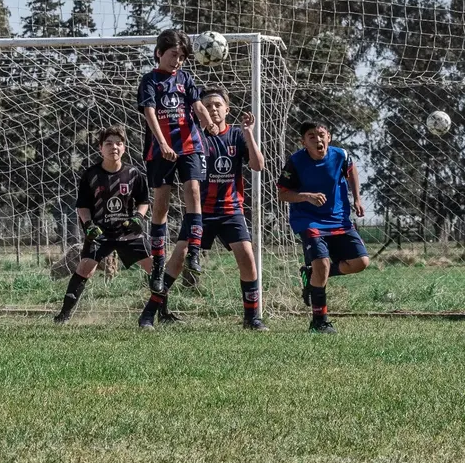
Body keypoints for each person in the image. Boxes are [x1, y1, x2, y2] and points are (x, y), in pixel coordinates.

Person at [138, 87, 268, 330]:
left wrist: (249, 133)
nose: (213, 109)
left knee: (247, 257)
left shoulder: (237, 135)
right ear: (199, 112)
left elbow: (258, 165)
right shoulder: (193, 138)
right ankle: (149, 313)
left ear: (227, 109)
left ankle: (251, 318)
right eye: (207, 106)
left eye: (217, 105)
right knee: (178, 258)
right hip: (200, 213)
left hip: (230, 210)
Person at [137, 29, 219, 296]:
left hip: (190, 146)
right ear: (159, 53)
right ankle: (158, 265)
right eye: (173, 55)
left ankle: (194, 250)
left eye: (182, 57)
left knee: (193, 191)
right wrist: (162, 143)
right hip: (161, 149)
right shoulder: (150, 80)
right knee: (161, 204)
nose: (178, 61)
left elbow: (197, 105)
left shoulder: (186, 78)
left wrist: (208, 122)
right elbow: (150, 112)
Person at [277, 120, 369, 334]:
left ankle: (313, 276)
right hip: (309, 220)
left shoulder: (341, 155)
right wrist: (306, 196)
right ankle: (319, 322)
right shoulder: (296, 162)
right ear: (303, 142)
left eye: (321, 135)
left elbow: (352, 171)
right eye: (311, 136)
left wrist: (357, 198)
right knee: (322, 264)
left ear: (329, 137)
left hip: (339, 219)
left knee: (361, 262)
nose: (318, 139)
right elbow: (282, 194)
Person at [54, 126, 150, 324]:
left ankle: (162, 312)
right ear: (100, 148)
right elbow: (82, 206)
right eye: (108, 143)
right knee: (85, 269)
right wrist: (88, 225)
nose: (114, 147)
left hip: (127, 231)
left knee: (154, 266)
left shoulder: (134, 173)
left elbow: (144, 201)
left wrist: (139, 218)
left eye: (118, 143)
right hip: (100, 232)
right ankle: (63, 316)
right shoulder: (91, 174)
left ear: (124, 148)